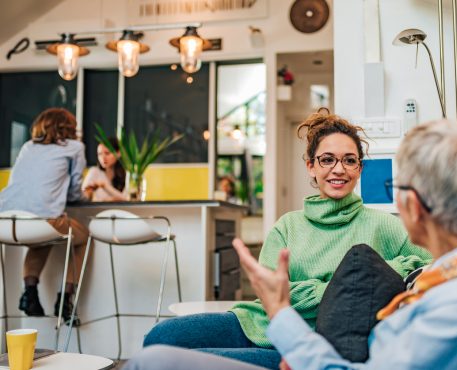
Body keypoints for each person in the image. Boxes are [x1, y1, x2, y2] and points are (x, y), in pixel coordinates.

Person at [140, 111, 431, 369]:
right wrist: (341, 287)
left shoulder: (384, 225)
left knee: (168, 363)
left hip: (308, 345)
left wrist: (353, 285)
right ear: (311, 166)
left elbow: (428, 268)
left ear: (360, 169)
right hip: (259, 323)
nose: (338, 169)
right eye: (327, 159)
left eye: (349, 160)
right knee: (161, 337)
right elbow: (272, 296)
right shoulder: (288, 226)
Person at [0, 107, 89, 323]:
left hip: (7, 220)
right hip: (43, 221)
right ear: (69, 127)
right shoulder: (75, 147)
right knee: (83, 235)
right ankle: (65, 300)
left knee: (41, 235)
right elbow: (76, 190)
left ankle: (30, 293)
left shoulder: (28, 147)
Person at [82, 137, 127, 201]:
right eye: (99, 154)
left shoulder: (127, 174)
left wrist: (105, 186)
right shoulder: (94, 172)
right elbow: (83, 197)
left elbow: (127, 200)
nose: (103, 158)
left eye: (107, 153)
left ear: (118, 153)